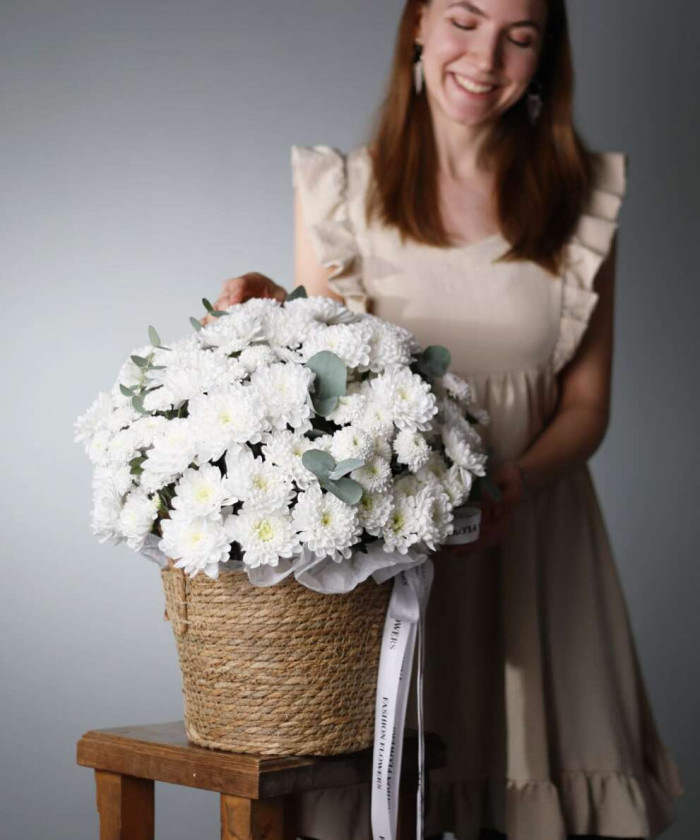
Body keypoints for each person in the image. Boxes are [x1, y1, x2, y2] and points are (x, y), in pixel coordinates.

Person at [207, 1, 685, 838]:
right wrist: (271, 317)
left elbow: (587, 405)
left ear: (545, 58)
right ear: (419, 25)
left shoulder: (582, 200)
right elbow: (331, 380)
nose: (486, 57)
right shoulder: (338, 193)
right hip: (399, 555)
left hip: (537, 542)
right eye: (465, 20)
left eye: (519, 37)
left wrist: (514, 480)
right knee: (389, 800)